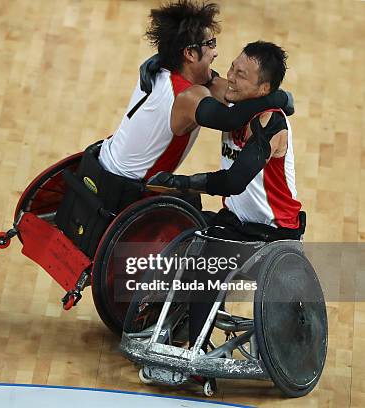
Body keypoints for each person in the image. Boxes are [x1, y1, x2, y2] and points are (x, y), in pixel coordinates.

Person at [147, 41, 303, 352]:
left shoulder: (271, 123)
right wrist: (160, 61)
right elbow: (205, 77)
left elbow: (234, 181)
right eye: (232, 67)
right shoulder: (233, 100)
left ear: (263, 88)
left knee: (206, 264)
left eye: (241, 74)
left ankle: (196, 352)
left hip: (273, 234)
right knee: (177, 222)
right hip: (235, 223)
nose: (231, 76)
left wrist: (182, 181)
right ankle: (173, 320)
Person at [98, 0, 293, 186]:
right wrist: (278, 97)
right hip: (122, 189)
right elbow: (228, 119)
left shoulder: (163, 68)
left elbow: (235, 93)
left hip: (101, 164)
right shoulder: (187, 96)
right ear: (190, 54)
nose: (215, 52)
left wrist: (268, 91)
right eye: (210, 44)